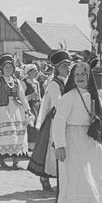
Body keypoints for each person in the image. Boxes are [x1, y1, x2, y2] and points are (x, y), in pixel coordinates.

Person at [53, 61, 102, 203]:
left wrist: (97, 121)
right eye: (77, 74)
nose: (80, 77)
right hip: (72, 138)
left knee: (90, 177)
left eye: (83, 74)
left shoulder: (95, 95)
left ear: (89, 76)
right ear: (72, 76)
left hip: (90, 139)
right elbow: (58, 122)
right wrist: (60, 145)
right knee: (74, 177)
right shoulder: (68, 96)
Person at [28, 49, 71, 190]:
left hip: (67, 119)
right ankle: (44, 177)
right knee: (51, 149)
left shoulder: (69, 81)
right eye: (64, 65)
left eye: (69, 65)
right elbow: (58, 103)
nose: (68, 68)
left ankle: (62, 180)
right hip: (55, 121)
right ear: (57, 68)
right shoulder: (54, 84)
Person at [0, 54, 30, 168]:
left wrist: (27, 109)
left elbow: (22, 96)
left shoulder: (16, 81)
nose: (8, 69)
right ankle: (1, 159)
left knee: (17, 133)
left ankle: (16, 160)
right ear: (2, 69)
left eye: (10, 67)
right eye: (6, 67)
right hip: (2, 110)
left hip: (16, 110)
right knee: (5, 135)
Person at [21, 64, 41, 152]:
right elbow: (21, 97)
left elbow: (39, 97)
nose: (36, 72)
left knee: (37, 125)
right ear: (29, 72)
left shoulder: (36, 83)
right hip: (28, 106)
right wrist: (31, 96)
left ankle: (34, 146)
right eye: (34, 71)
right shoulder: (24, 82)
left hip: (36, 106)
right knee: (30, 126)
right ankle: (28, 146)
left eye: (36, 70)